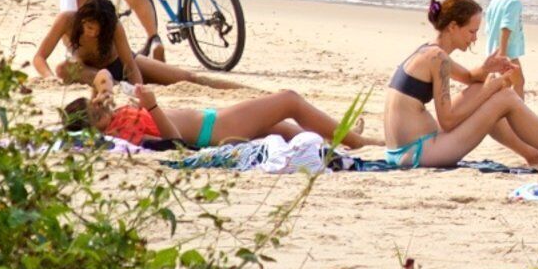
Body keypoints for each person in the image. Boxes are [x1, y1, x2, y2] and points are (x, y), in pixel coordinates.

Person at [380, 0, 538, 169]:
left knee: (481, 89)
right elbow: (448, 121)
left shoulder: (429, 51)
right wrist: (489, 91)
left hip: (405, 150)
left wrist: (488, 68)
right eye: (472, 31)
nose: (474, 39)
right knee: (505, 97)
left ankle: (534, 155)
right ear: (453, 27)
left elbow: (469, 78)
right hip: (419, 153)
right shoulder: (438, 58)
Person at [68, 47, 348, 154]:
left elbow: (104, 74)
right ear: (94, 128)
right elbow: (175, 143)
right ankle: (356, 140)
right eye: (96, 113)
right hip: (214, 130)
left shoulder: (115, 118)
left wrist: (105, 91)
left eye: (96, 105)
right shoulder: (121, 133)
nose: (101, 107)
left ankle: (335, 143)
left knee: (282, 128)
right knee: (289, 100)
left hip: (212, 121)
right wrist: (151, 106)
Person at [57, 0, 230, 96]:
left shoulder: (113, 26)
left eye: (98, 30)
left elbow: (130, 65)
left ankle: (246, 90)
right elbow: (42, 57)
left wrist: (137, 89)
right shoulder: (67, 20)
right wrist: (49, 77)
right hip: (91, 72)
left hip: (120, 64)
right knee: (63, 68)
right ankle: (117, 84)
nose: (94, 33)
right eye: (90, 28)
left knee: (189, 78)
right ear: (82, 20)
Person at [484, 0, 538, 89]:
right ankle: (517, 103)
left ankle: (500, 102)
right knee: (519, 82)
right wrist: (503, 54)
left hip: (493, 51)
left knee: (505, 83)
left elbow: (488, 26)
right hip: (508, 53)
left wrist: (495, 51)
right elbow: (506, 27)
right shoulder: (514, 1)